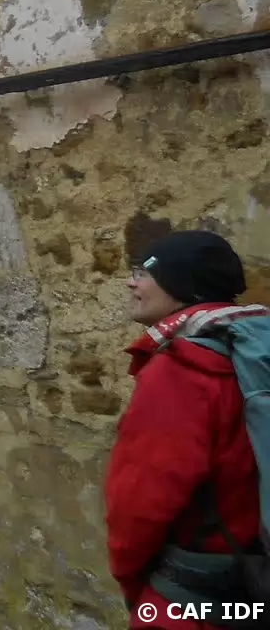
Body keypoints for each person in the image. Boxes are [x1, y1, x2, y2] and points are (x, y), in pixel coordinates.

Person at [106, 229, 269, 629]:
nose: (131, 283)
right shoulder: (256, 349)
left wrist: (138, 591)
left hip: (196, 603)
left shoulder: (181, 371)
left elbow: (139, 506)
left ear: (180, 285)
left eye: (144, 273)